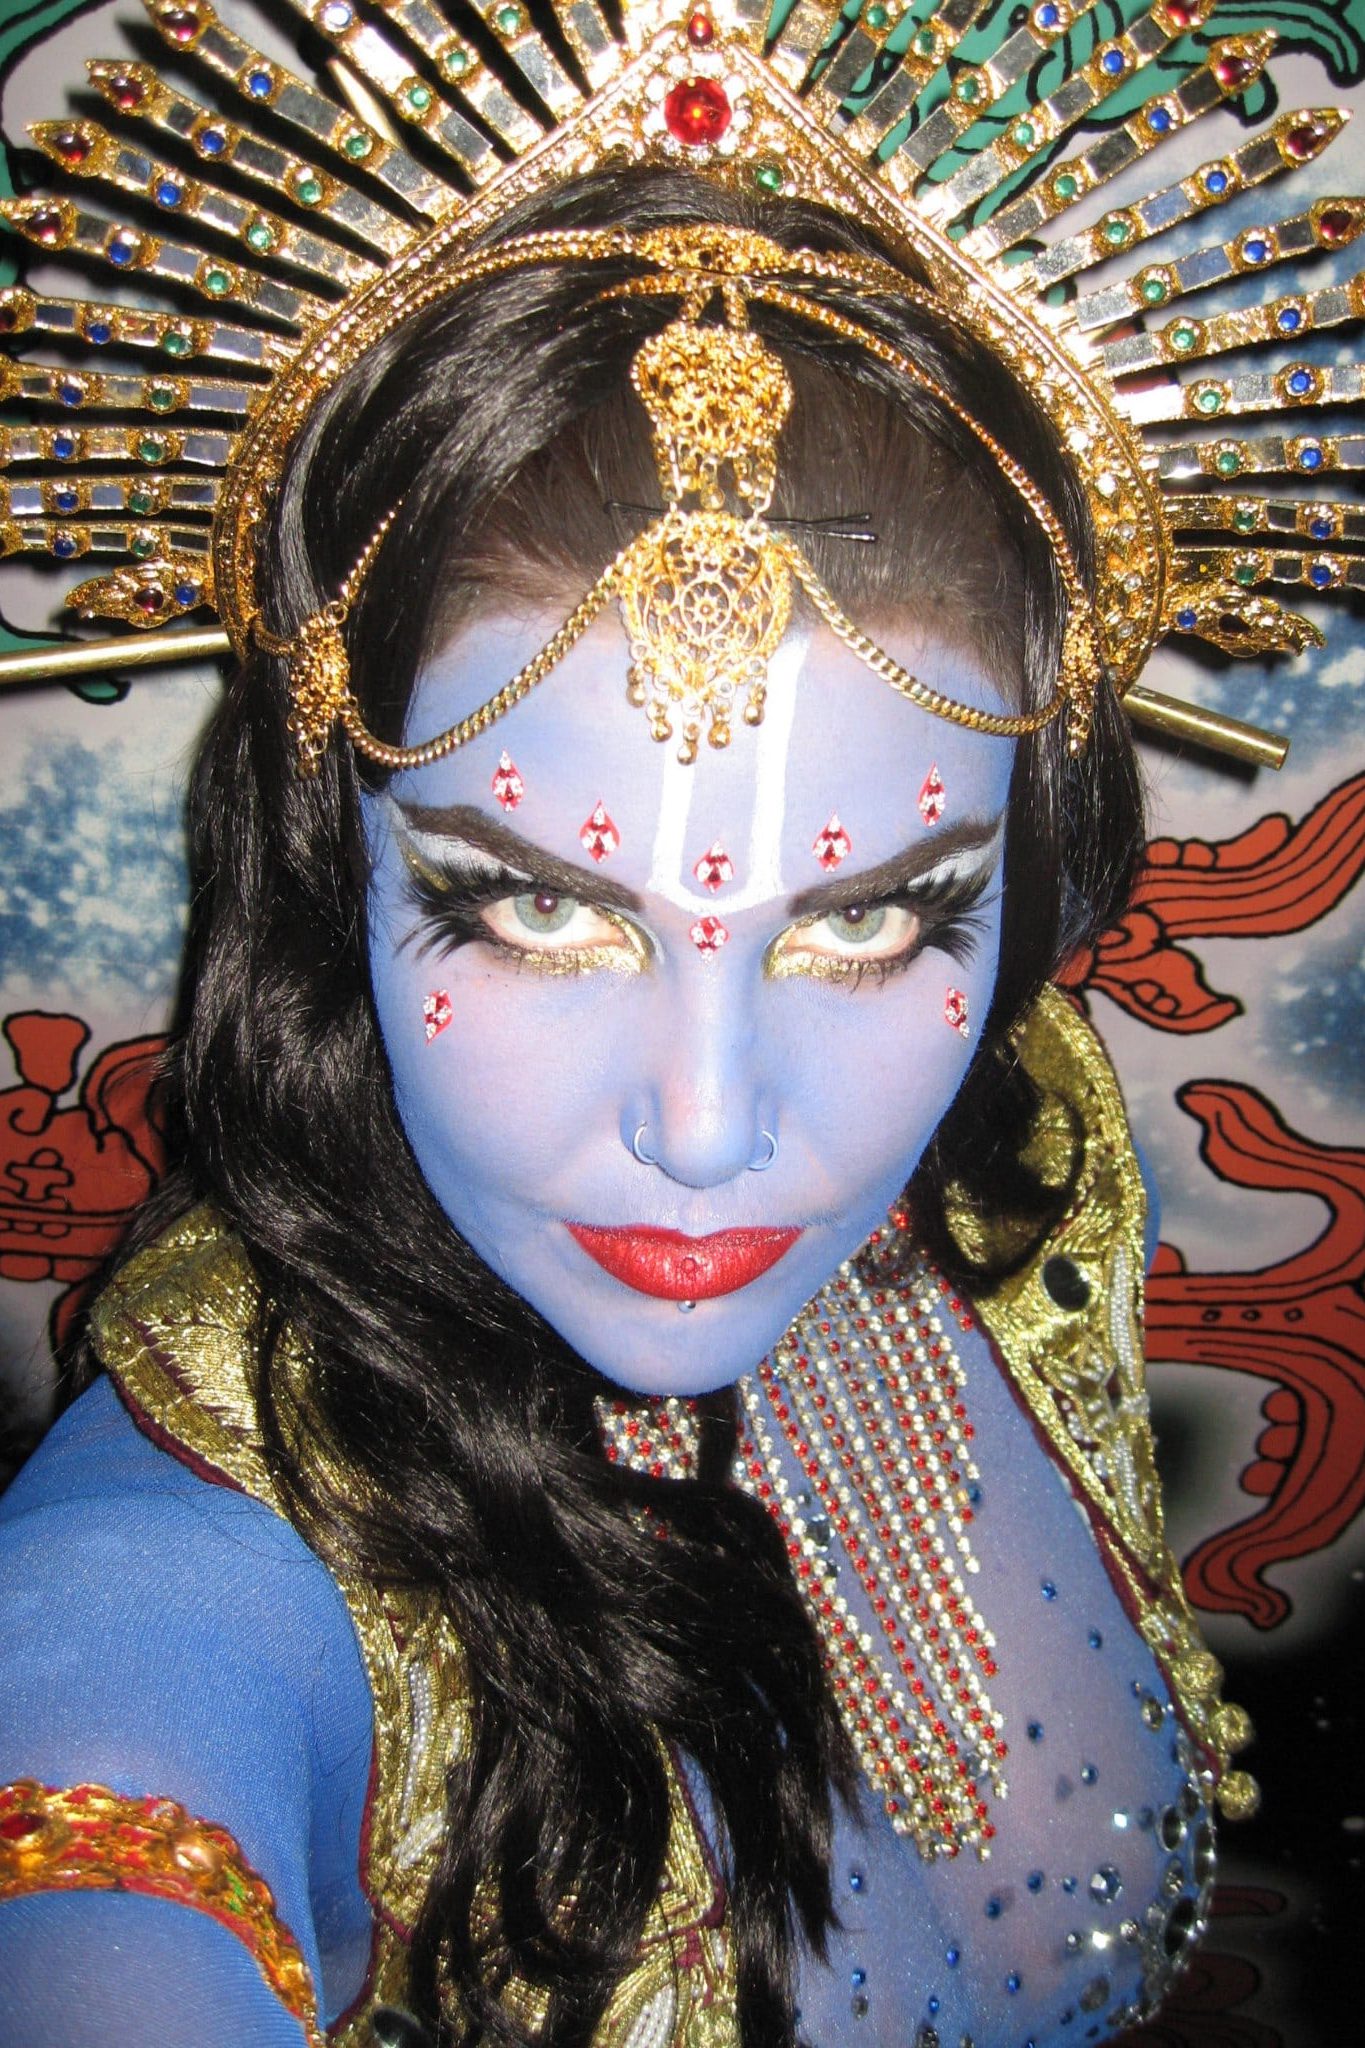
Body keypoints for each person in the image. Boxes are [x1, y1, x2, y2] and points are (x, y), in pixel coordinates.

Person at [5, 0, 1329, 2039]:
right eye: (536, 904)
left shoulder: (1018, 1157)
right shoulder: (180, 1581)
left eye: (870, 918)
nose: (709, 1131)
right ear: (330, 864)